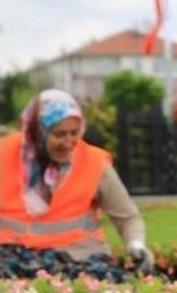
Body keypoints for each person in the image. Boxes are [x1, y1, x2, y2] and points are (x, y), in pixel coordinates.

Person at [0, 90, 152, 270]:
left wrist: (136, 245)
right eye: (59, 134)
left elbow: (128, 217)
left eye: (74, 133)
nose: (69, 142)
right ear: (37, 133)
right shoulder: (4, 154)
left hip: (79, 259)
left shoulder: (95, 163)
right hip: (10, 258)